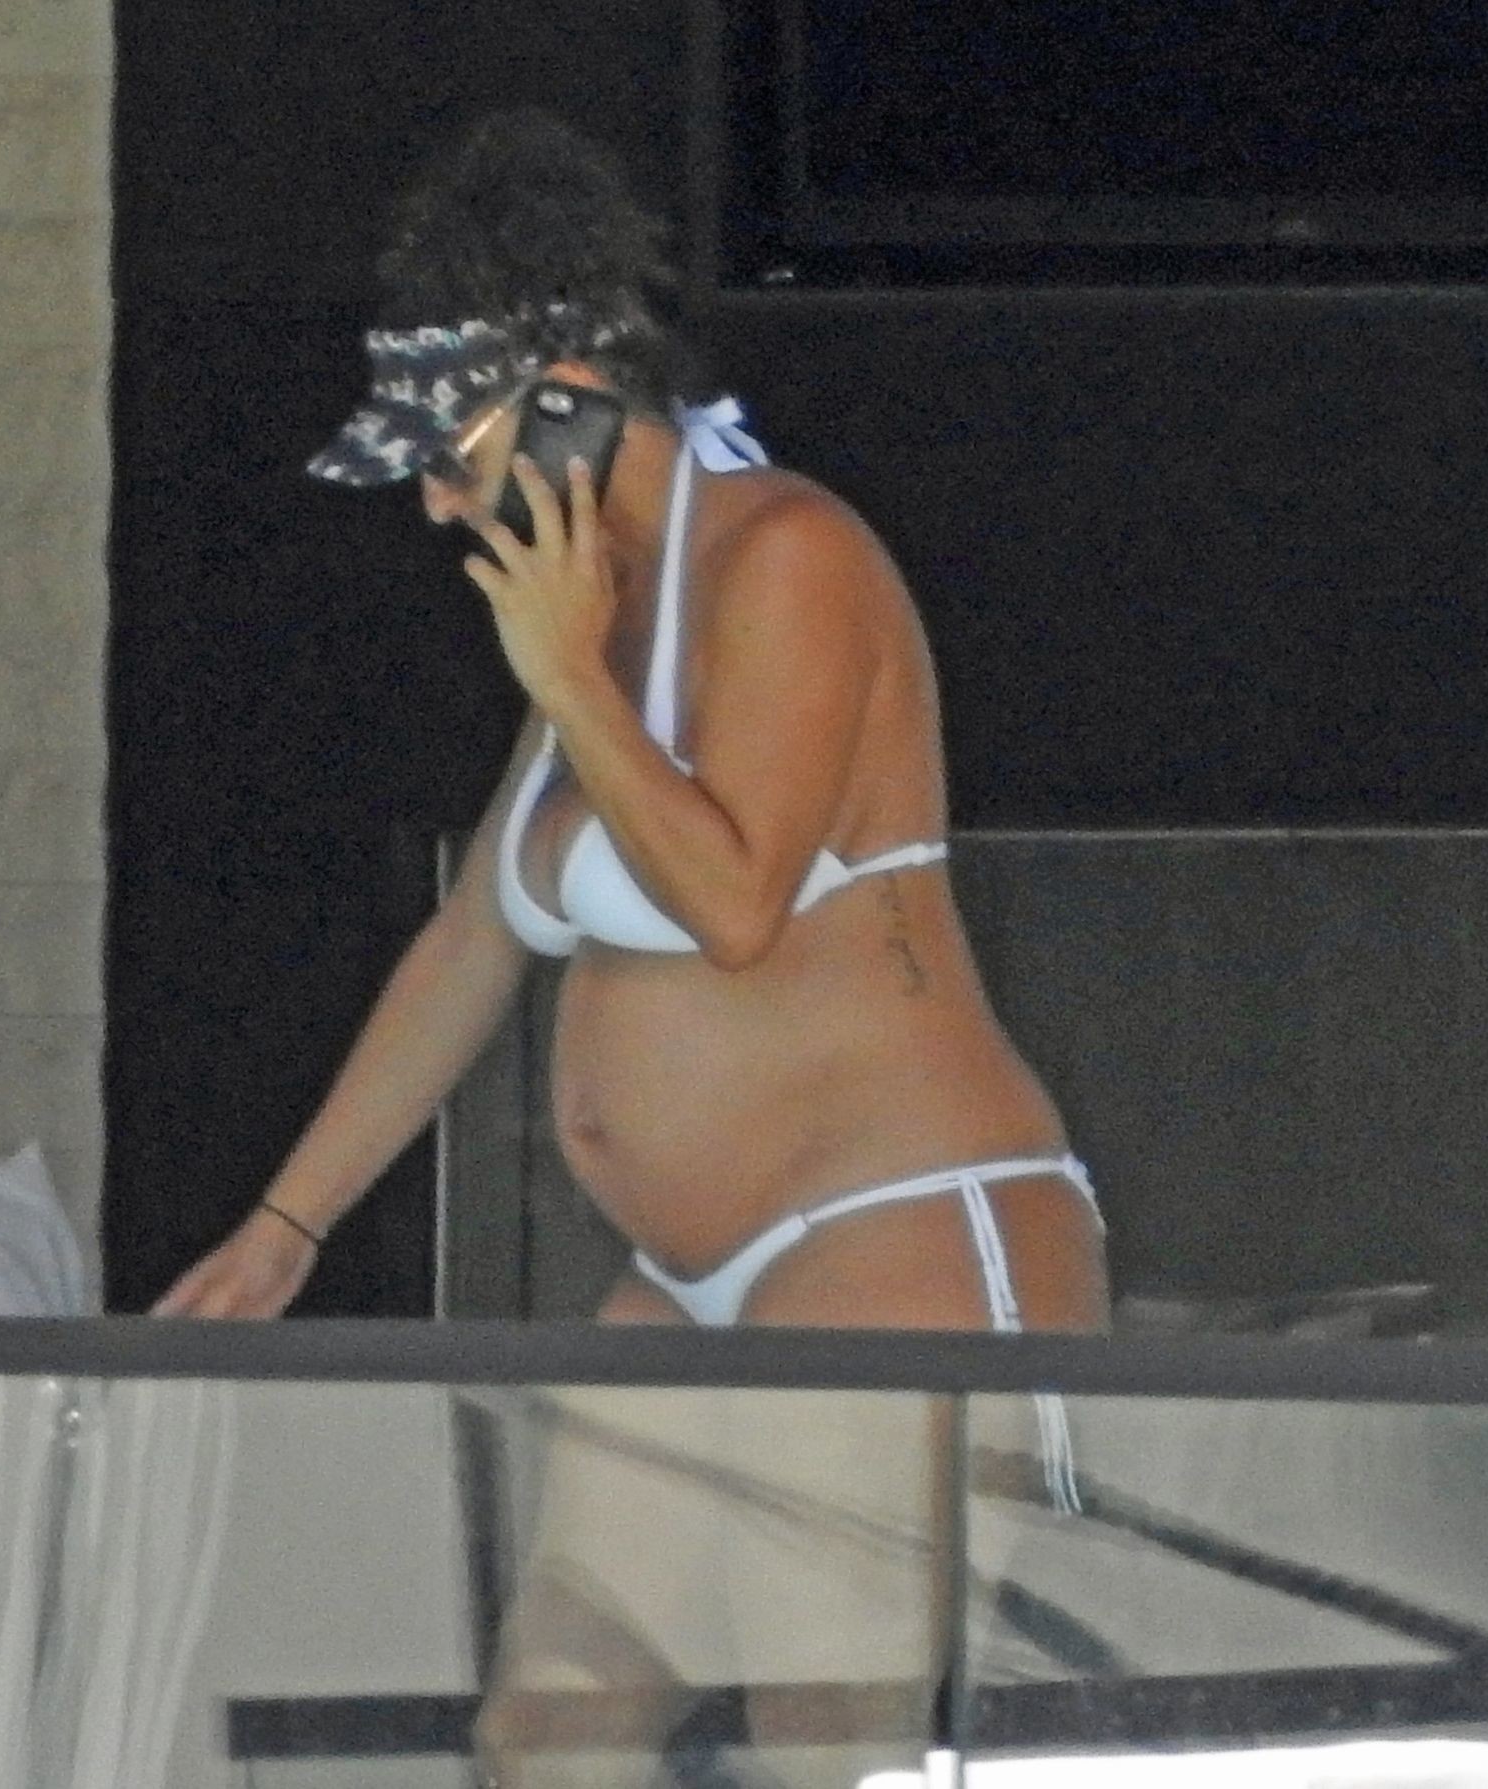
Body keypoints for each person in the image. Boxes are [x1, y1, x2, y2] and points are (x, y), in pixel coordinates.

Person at [150, 107, 1110, 1787]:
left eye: (453, 453)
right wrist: (286, 1225)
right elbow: (473, 939)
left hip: (894, 1237)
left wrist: (569, 679)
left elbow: (736, 904)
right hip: (691, 1274)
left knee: (831, 1750)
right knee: (549, 1731)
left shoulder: (786, 556)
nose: (437, 501)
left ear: (573, 396)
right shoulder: (599, 604)